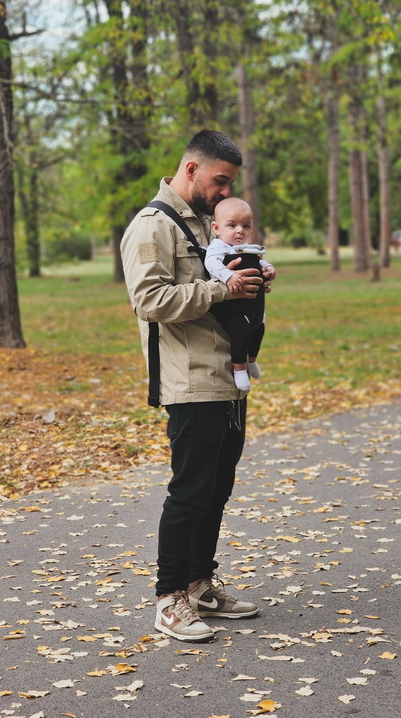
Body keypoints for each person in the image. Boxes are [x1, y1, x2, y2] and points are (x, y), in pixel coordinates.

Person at [120, 130, 275, 643]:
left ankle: (199, 584)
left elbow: (221, 284)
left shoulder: (205, 226)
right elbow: (149, 301)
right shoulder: (151, 227)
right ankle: (169, 599)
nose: (223, 190)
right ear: (191, 169)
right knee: (189, 492)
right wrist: (221, 288)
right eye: (219, 180)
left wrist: (249, 278)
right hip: (190, 383)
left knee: (217, 489)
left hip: (226, 380)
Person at [205, 197, 274, 392]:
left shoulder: (245, 247)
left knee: (258, 327)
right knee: (241, 331)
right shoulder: (218, 247)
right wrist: (228, 276)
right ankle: (239, 368)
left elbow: (259, 261)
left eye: (245, 226)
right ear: (217, 228)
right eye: (232, 225)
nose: (240, 230)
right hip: (229, 303)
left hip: (250, 301)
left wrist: (268, 268)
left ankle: (252, 360)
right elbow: (211, 264)